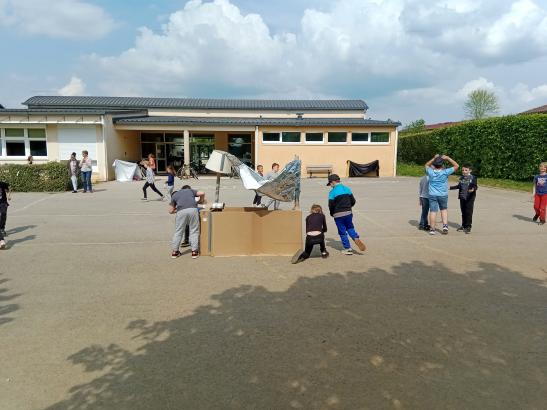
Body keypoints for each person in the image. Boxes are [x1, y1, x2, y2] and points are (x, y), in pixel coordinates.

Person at [327, 174, 366, 255]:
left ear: (333, 182)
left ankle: (348, 248)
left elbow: (331, 205)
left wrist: (332, 213)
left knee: (342, 232)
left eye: (330, 183)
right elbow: (353, 201)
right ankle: (355, 237)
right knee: (350, 227)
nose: (330, 185)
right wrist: (348, 208)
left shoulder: (332, 192)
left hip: (338, 215)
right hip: (348, 213)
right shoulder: (347, 189)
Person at [425, 154, 459, 235]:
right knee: (443, 210)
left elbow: (426, 165)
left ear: (434, 164)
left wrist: (434, 158)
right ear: (442, 165)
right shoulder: (445, 172)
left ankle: (432, 229)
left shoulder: (430, 171)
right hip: (443, 194)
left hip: (432, 194)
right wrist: (448, 158)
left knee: (433, 211)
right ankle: (445, 226)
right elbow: (456, 165)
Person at [170, 184, 205, 259]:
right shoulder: (190, 191)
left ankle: (175, 252)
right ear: (188, 189)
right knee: (194, 230)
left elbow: (170, 211)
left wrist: (178, 209)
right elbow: (202, 193)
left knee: (178, 231)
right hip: (193, 210)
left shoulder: (175, 195)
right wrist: (201, 201)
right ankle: (194, 252)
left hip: (181, 211)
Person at [450, 164, 478, 233]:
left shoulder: (473, 177)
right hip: (462, 197)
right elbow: (459, 186)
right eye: (463, 170)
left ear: (470, 170)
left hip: (469, 198)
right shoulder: (461, 178)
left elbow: (475, 186)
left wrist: (473, 189)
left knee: (468, 212)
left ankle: (468, 226)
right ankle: (463, 225)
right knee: (463, 212)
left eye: (466, 170)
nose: (464, 171)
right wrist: (450, 188)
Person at [0, 179, 10, 249]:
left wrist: (9, 195)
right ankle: (1, 240)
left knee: (3, 214)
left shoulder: (2, 184)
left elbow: (8, 189)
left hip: (3, 202)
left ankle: (2, 228)